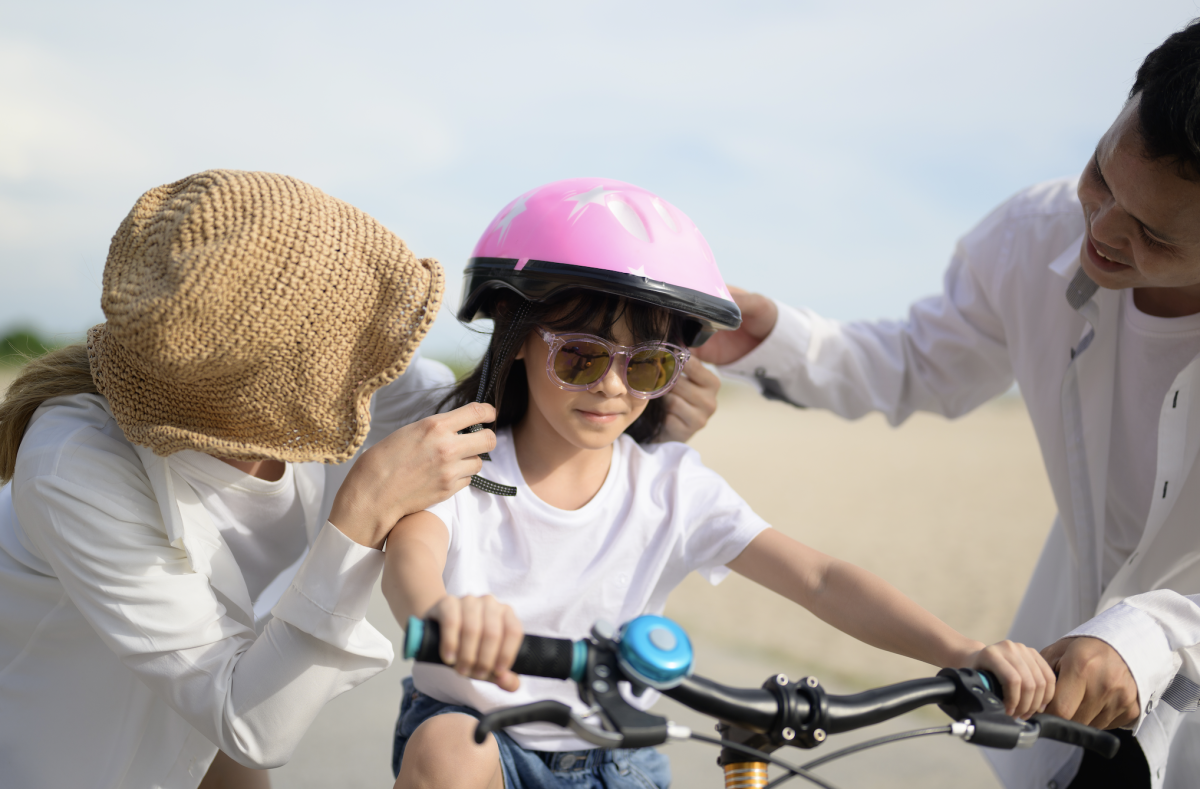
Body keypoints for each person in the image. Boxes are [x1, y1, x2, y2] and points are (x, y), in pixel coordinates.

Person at [381, 178, 1056, 789]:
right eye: (581, 355)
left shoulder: (671, 487)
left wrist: (962, 650)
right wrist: (441, 612)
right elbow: (413, 554)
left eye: (646, 366)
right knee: (449, 748)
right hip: (483, 741)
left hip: (620, 757)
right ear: (519, 335)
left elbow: (819, 577)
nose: (613, 386)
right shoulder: (461, 457)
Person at [695, 20, 1200, 789]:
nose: (1099, 229)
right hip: (1059, 726)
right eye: (1101, 175)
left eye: (1150, 233)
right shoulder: (1034, 239)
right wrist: (773, 337)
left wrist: (1153, 633)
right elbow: (916, 361)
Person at [0, 169, 506, 789]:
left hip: (203, 743)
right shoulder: (74, 466)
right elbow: (250, 723)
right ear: (289, 377)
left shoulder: (307, 377)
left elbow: (482, 411)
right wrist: (363, 511)